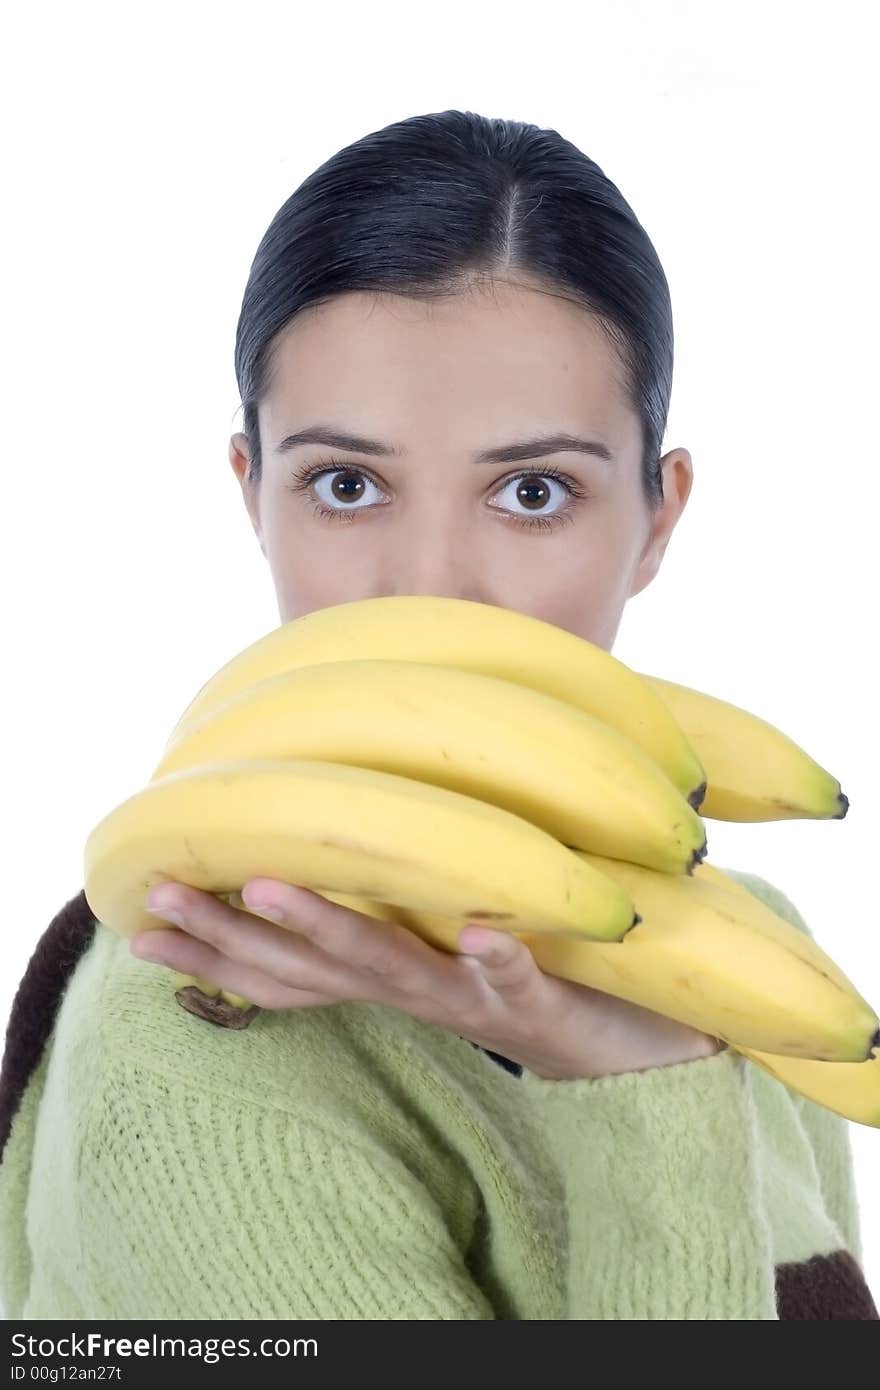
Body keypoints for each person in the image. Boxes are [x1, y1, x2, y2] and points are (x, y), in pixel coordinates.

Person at [0, 108, 876, 1322]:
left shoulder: (741, 955)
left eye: (532, 491)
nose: (432, 586)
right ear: (254, 494)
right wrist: (638, 1097)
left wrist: (644, 1050)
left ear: (657, 518)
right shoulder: (191, 1048)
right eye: (346, 486)